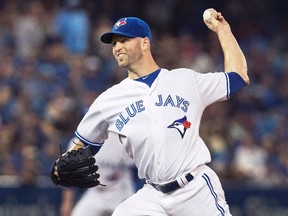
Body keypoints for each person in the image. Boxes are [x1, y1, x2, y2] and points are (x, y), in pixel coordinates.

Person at [56, 8, 249, 215]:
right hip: (152, 196)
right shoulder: (108, 101)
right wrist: (60, 166)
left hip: (195, 189)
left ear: (145, 42)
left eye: (124, 40)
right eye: (114, 43)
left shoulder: (184, 80)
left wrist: (223, 31)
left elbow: (238, 76)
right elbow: (80, 146)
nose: (117, 47)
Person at [60, 133, 136, 216]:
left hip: (121, 194)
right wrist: (67, 202)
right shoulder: (79, 143)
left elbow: (137, 171)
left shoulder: (123, 141)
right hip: (96, 193)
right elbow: (71, 174)